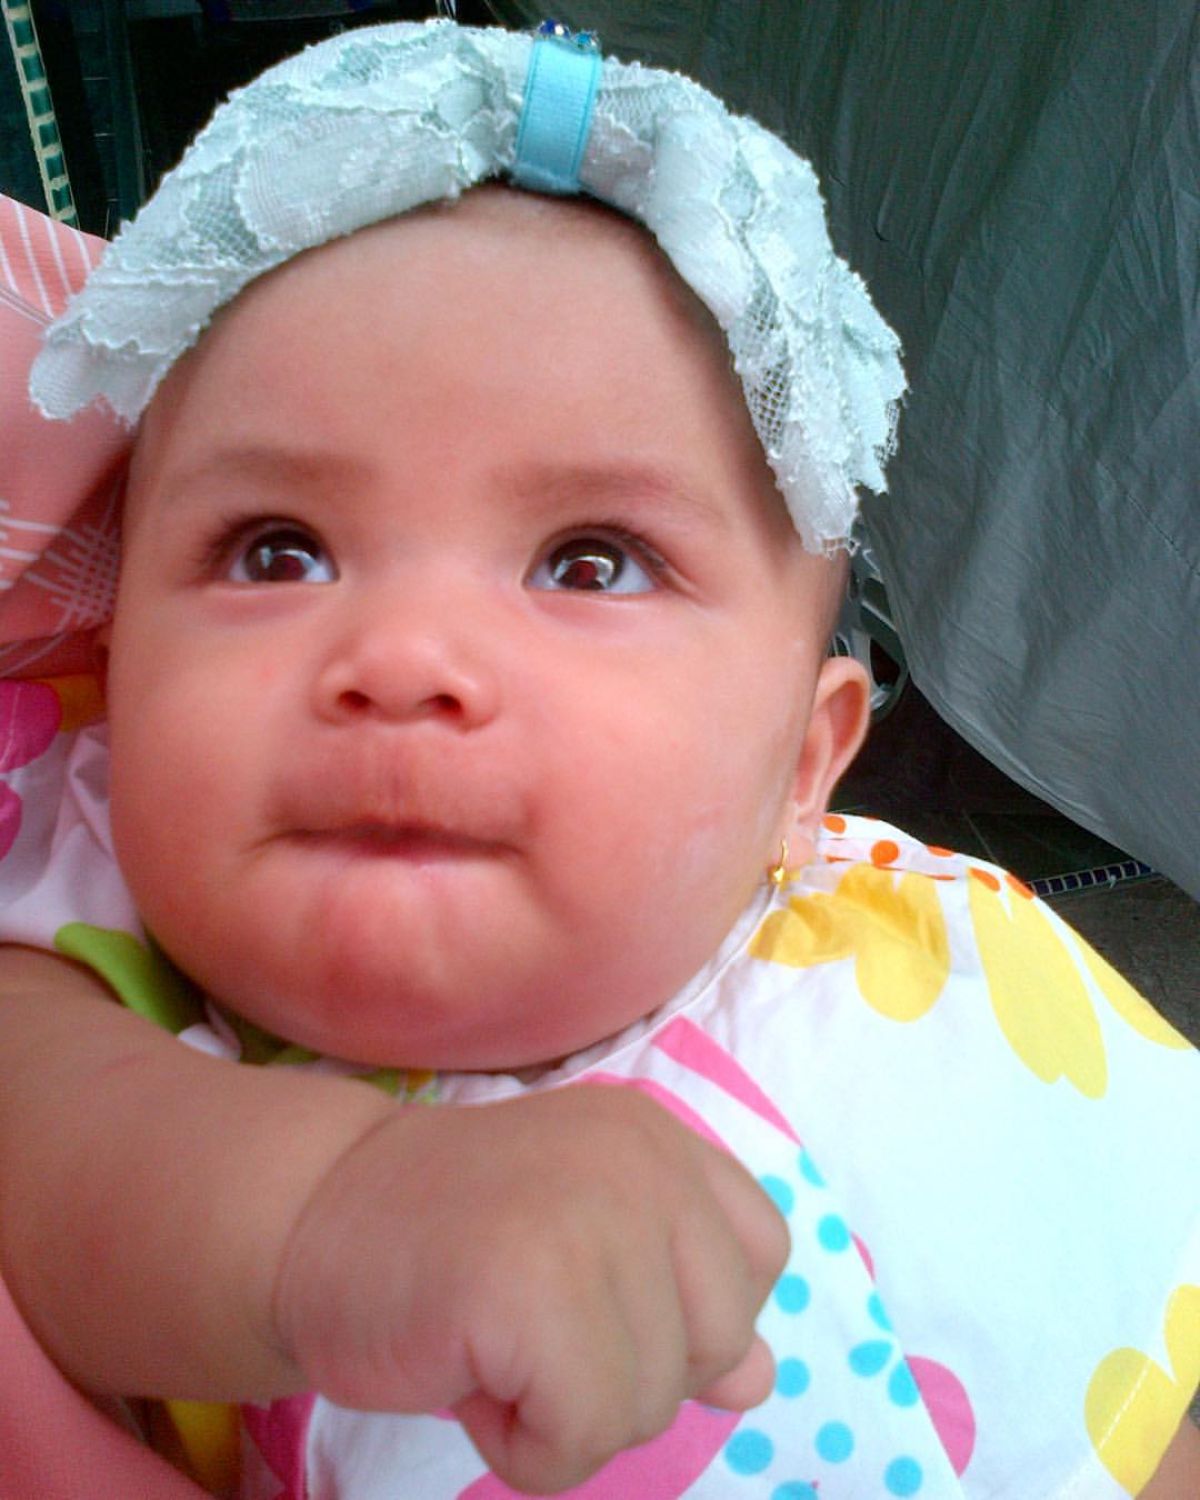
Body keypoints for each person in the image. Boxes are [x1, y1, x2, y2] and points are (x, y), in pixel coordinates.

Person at [0, 19, 1196, 1500]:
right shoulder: (86, 956)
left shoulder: (934, 983)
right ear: (120, 659)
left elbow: (1124, 1377)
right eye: (277, 550)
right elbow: (51, 1174)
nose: (404, 657)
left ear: (802, 768)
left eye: (588, 563)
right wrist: (334, 1212)